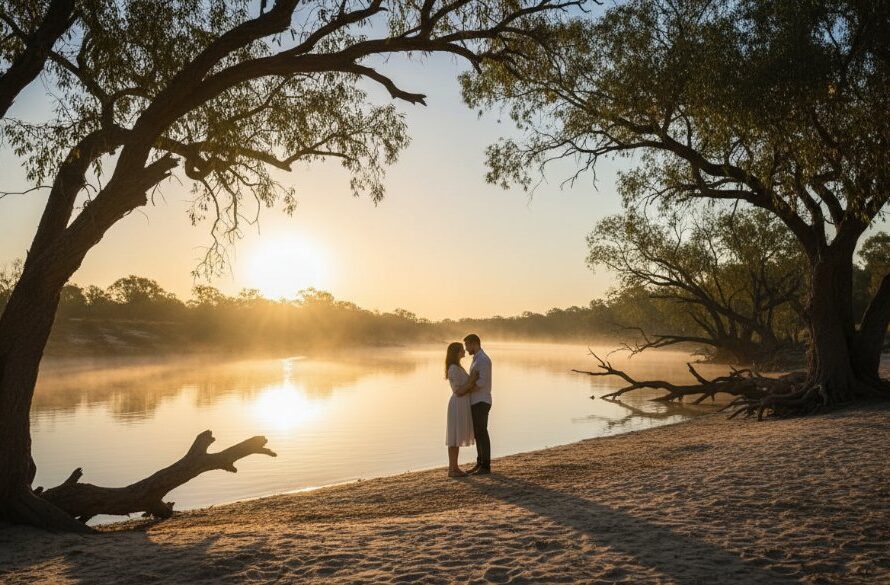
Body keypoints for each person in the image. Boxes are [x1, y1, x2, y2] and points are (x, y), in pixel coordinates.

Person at [444, 342, 478, 478]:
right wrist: (472, 381)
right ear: (456, 352)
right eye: (461, 349)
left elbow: (466, 385)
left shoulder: (458, 367)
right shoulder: (453, 368)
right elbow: (458, 391)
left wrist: (472, 381)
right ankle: (452, 469)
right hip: (457, 404)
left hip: (462, 404)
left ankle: (454, 467)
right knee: (454, 437)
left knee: (456, 437)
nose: (464, 351)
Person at [463, 333, 492, 474]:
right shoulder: (476, 359)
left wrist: (467, 389)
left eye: (467, 345)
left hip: (482, 400)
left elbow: (482, 382)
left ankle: (485, 466)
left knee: (482, 432)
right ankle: (480, 462)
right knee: (477, 433)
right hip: (476, 400)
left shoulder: (483, 360)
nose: (466, 349)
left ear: (474, 343)